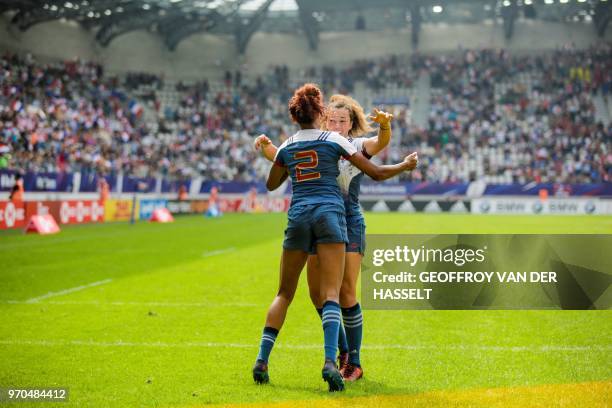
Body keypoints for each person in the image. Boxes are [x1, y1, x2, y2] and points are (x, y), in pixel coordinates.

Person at [252, 83, 418, 392]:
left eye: (344, 121)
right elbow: (289, 160)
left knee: (344, 292)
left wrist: (386, 128)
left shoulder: (347, 143)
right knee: (319, 295)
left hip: (346, 220)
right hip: (327, 219)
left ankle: (351, 361)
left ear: (351, 123)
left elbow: (378, 147)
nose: (338, 124)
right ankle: (339, 355)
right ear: (324, 117)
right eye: (334, 119)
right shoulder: (329, 141)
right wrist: (269, 150)